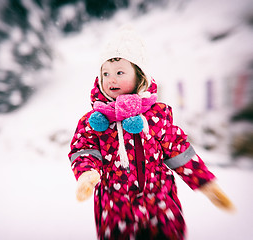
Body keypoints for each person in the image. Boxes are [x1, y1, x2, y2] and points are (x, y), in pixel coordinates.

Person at [68, 27, 234, 240]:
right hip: (114, 205)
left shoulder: (157, 115)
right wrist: (87, 174)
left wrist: (205, 183)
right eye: (105, 73)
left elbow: (179, 151)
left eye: (120, 72)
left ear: (139, 76)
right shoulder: (93, 121)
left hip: (160, 201)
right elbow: (83, 149)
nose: (111, 79)